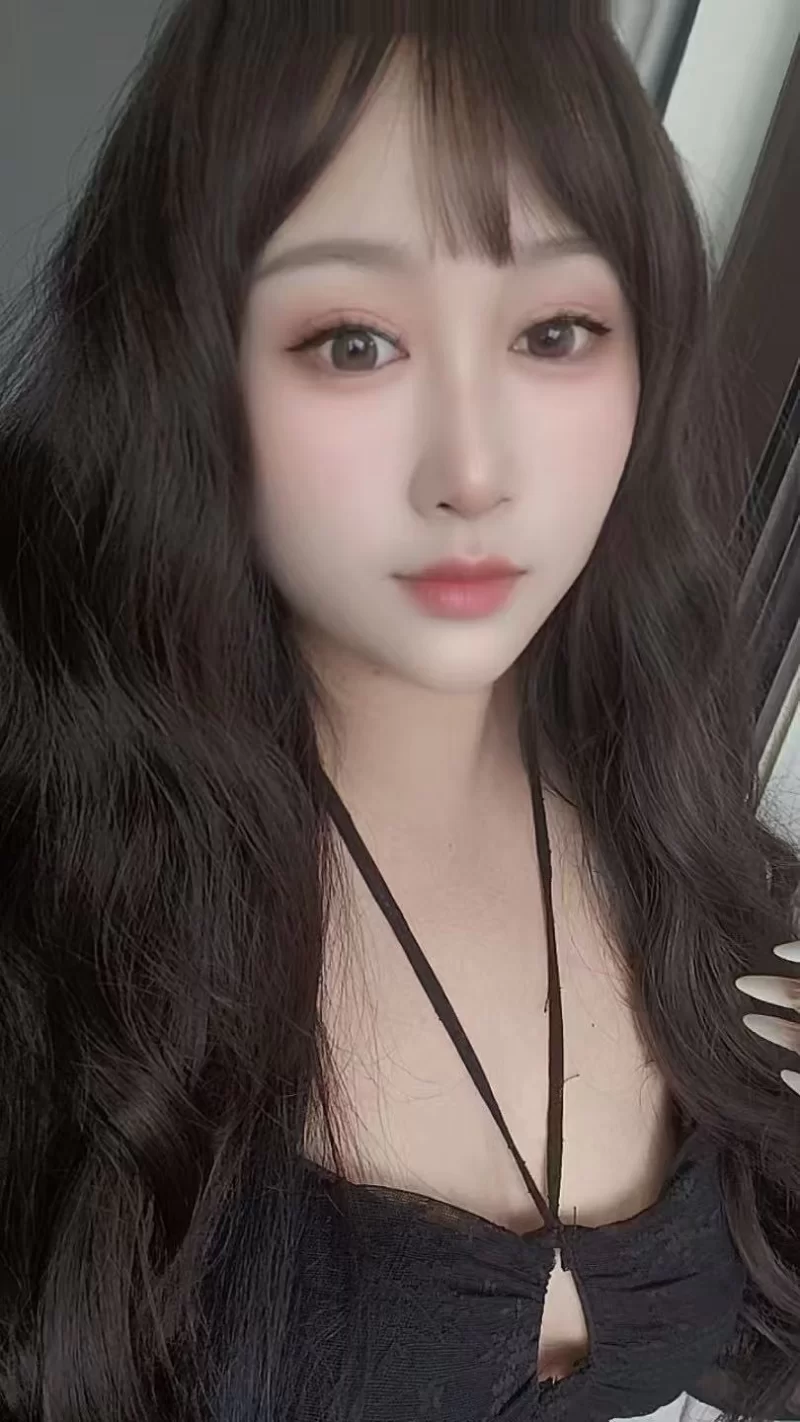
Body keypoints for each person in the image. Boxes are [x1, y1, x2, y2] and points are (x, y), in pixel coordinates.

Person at [1, 3, 799, 1420]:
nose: (474, 470)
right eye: (355, 343)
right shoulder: (53, 880)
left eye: (555, 330)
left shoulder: (675, 838)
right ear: (189, 363)